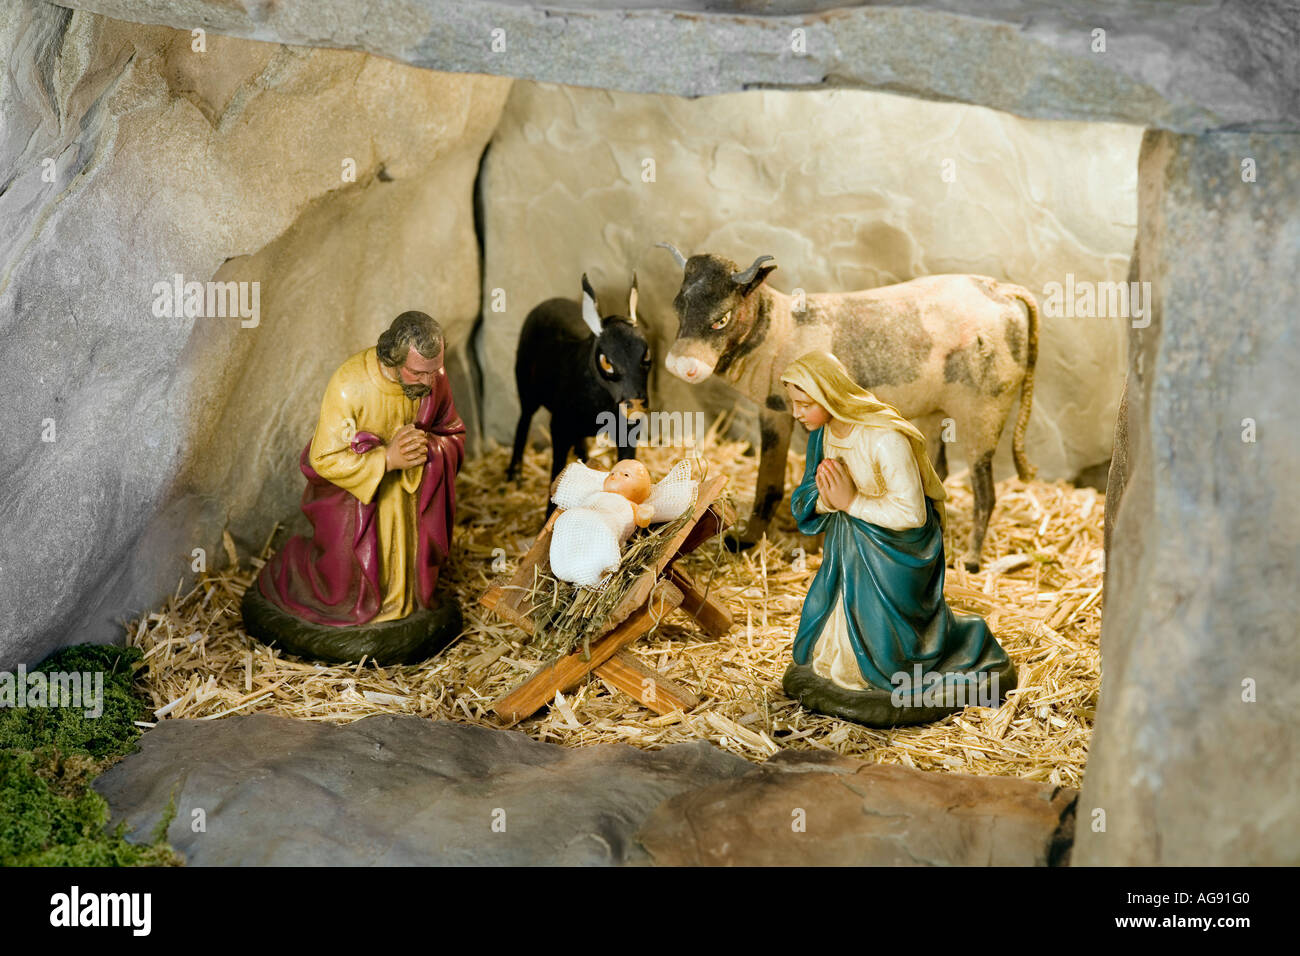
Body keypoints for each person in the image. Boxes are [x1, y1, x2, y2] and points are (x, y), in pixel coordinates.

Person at [779, 350, 1016, 726]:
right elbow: (809, 494)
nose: (796, 413)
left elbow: (911, 514)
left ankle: (962, 643)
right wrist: (828, 499)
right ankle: (848, 669)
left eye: (804, 404)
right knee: (829, 615)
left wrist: (852, 502)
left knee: (892, 653)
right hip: (849, 550)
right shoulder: (821, 434)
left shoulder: (884, 438)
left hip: (896, 555)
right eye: (793, 404)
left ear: (829, 396)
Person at [243, 311, 466, 664]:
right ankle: (306, 577)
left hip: (410, 502)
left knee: (407, 567)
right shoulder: (351, 384)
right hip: (357, 502)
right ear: (393, 358)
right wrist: (386, 460)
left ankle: (404, 601)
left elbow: (451, 432)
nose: (428, 380)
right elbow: (324, 458)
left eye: (433, 370)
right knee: (341, 583)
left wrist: (431, 450)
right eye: (418, 372)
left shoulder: (432, 377)